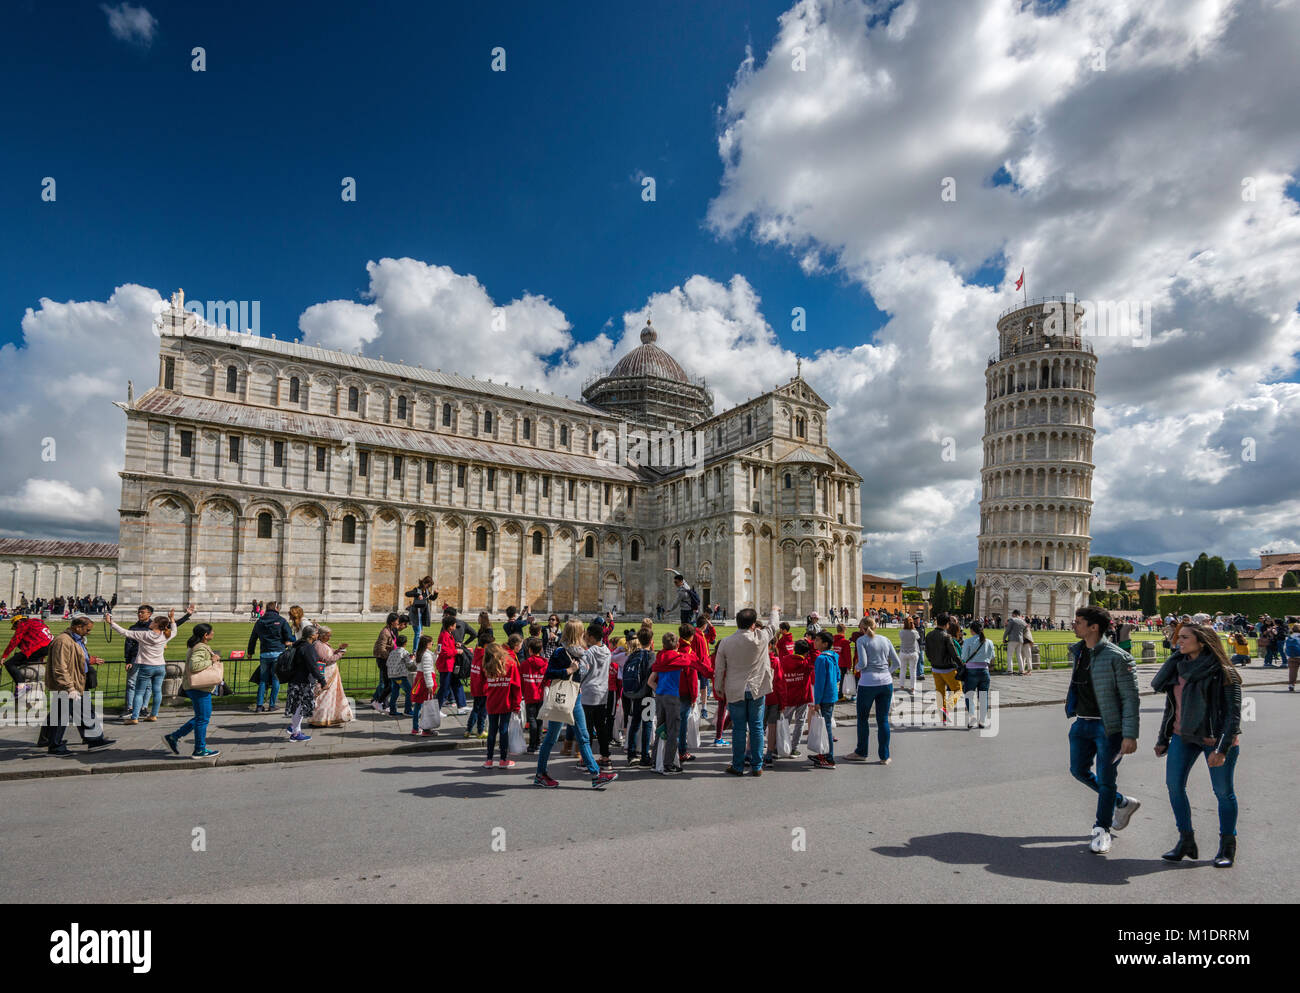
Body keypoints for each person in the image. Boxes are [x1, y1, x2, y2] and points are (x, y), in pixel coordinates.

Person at [1152, 623, 1243, 867]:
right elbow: (1172, 707)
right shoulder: (1177, 667)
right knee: (1174, 786)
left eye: (1184, 638)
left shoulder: (1224, 672)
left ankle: (1227, 846)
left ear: (1201, 642)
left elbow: (1234, 716)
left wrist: (1222, 750)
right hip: (1183, 735)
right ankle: (1186, 840)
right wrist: (1163, 738)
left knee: (1223, 792)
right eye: (1177, 637)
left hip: (1215, 739)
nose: (1177, 641)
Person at [1066, 605, 1142, 855]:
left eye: (1078, 622)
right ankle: (1121, 802)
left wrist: (1130, 734)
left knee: (1107, 778)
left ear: (1094, 627)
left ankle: (1102, 829)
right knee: (1078, 770)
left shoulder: (1118, 657)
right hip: (1082, 723)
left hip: (1108, 727)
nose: (1074, 625)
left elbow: (1131, 698)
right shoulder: (1078, 652)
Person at [533, 619, 618, 789]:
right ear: (577, 633)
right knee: (551, 737)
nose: (584, 634)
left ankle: (596, 775)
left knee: (584, 737)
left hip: (575, 697)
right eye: (582, 631)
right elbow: (549, 673)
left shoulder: (581, 652)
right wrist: (568, 671)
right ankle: (540, 774)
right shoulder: (560, 652)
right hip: (562, 698)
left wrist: (577, 682)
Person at [712, 607, 777, 776]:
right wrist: (774, 610)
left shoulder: (726, 642)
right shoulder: (762, 637)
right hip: (756, 688)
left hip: (735, 689)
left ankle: (738, 765)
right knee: (756, 728)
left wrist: (718, 688)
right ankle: (756, 766)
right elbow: (773, 626)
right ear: (754, 624)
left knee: (739, 729)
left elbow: (719, 669)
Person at [44, 614, 114, 755]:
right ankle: (54, 746)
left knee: (84, 713)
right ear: (77, 627)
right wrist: (69, 687)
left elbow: (79, 659)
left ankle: (94, 740)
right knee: (61, 716)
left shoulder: (76, 639)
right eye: (87, 630)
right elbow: (60, 667)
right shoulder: (63, 641)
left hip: (78, 683)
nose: (89, 633)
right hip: (67, 685)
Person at [119, 602, 193, 719]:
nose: (140, 614)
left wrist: (186, 616)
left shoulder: (156, 627)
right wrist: (127, 660)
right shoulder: (134, 627)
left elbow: (175, 625)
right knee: (132, 684)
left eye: (142, 612)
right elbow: (128, 644)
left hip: (146, 662)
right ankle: (130, 708)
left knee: (146, 687)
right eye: (139, 612)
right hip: (136, 659)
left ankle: (142, 708)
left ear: (150, 614)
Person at [108, 608, 179, 724]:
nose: (150, 622)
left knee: (139, 692)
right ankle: (154, 715)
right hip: (160, 666)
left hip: (146, 666)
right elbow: (175, 631)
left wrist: (111, 622)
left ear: (156, 624)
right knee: (157, 692)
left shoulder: (145, 635)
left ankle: (134, 717)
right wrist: (172, 619)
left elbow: (124, 632)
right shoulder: (165, 635)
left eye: (153, 621)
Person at [844, 616, 899, 763]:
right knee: (883, 720)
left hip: (868, 682)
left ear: (862, 628)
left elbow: (863, 662)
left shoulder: (862, 640)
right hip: (886, 682)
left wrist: (856, 668)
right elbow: (897, 662)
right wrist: (888, 672)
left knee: (863, 719)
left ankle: (861, 752)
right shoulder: (885, 639)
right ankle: (885, 756)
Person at [163, 623, 221, 758]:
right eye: (211, 632)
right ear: (205, 635)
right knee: (203, 719)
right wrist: (212, 660)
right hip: (199, 688)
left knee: (200, 717)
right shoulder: (200, 647)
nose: (213, 633)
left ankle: (174, 737)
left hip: (195, 687)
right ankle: (199, 749)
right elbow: (194, 666)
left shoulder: (196, 646)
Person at [248, 601, 294, 714]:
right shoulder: (281, 620)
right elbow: (289, 636)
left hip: (264, 653)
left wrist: (250, 652)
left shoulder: (260, 621)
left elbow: (253, 638)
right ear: (277, 608)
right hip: (278, 653)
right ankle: (272, 705)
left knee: (263, 680)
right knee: (275, 679)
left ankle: (259, 706)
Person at [482, 643, 523, 768]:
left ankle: (489, 760)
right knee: (504, 730)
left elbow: (483, 686)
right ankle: (503, 760)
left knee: (492, 730)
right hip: (506, 702)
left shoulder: (485, 666)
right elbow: (516, 687)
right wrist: (516, 705)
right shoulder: (510, 665)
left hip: (492, 702)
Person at [285, 626, 327, 741]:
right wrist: (322, 680)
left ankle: (294, 728)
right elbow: (313, 666)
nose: (318, 635)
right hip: (303, 681)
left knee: (297, 706)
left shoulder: (298, 644)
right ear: (312, 635)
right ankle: (295, 733)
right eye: (317, 633)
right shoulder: (308, 648)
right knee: (300, 707)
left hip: (295, 679)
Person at [620, 628, 655, 765]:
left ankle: (632, 754)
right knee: (647, 725)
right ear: (651, 641)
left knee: (634, 723)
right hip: (648, 695)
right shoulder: (652, 656)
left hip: (635, 694)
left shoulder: (633, 655)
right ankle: (645, 756)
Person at [2, 614, 53, 705]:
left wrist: (4, 656)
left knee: (9, 664)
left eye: (15, 626)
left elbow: (15, 639)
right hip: (47, 647)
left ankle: (21, 687)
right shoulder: (38, 623)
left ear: (18, 622)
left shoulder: (23, 624)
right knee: (22, 658)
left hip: (37, 648)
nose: (16, 629)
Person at [808, 631, 840, 769]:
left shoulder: (821, 659)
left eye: (817, 640)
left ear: (825, 643)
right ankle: (824, 753)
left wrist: (817, 702)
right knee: (826, 725)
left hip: (824, 696)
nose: (815, 642)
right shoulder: (833, 656)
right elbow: (838, 675)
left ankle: (829, 757)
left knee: (826, 728)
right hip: (832, 694)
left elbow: (820, 682)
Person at [310, 625, 352, 727]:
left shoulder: (323, 643)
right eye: (328, 635)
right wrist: (340, 654)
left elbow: (331, 653)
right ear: (322, 635)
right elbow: (327, 660)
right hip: (326, 675)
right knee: (324, 697)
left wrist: (339, 649)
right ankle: (320, 718)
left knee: (331, 697)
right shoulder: (318, 645)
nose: (330, 637)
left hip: (331, 674)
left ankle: (330, 717)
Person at [924, 612, 962, 725]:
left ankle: (943, 718)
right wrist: (961, 665)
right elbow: (954, 654)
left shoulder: (929, 635)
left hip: (935, 668)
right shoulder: (947, 637)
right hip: (948, 668)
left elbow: (927, 651)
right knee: (958, 690)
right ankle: (948, 708)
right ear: (947, 624)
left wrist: (932, 661)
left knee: (940, 693)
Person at [778, 638, 814, 757]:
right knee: (799, 723)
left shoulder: (784, 660)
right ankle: (794, 748)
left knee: (784, 723)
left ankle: (782, 745)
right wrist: (810, 643)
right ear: (806, 652)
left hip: (788, 698)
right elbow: (815, 654)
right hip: (802, 698)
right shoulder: (806, 663)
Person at [959, 620, 994, 729]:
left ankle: (972, 716)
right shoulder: (989, 642)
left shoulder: (968, 641)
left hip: (971, 671)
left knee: (969, 695)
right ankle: (982, 720)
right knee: (983, 697)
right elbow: (991, 656)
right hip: (984, 670)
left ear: (971, 630)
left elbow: (963, 657)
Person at [370, 612, 407, 713]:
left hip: (386, 660)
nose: (398, 622)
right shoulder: (385, 632)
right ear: (392, 622)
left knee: (388, 684)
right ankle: (378, 702)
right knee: (388, 684)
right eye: (397, 621)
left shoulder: (391, 630)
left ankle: (380, 703)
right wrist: (391, 658)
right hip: (383, 660)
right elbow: (381, 649)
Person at [518, 637, 548, 751]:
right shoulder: (545, 664)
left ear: (530, 650)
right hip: (540, 695)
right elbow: (547, 680)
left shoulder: (525, 664)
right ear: (540, 650)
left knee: (531, 720)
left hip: (529, 695)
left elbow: (520, 680)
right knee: (539, 719)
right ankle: (538, 742)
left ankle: (532, 745)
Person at [435, 613, 468, 713]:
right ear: (450, 626)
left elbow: (448, 647)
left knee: (456, 684)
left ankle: (461, 706)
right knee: (444, 688)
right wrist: (456, 651)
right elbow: (443, 651)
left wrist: (455, 645)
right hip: (446, 666)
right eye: (454, 625)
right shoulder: (444, 636)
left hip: (450, 664)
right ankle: (437, 709)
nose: (455, 627)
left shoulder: (449, 634)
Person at [409, 633, 437, 735]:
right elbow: (427, 671)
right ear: (427, 644)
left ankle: (415, 728)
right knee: (427, 705)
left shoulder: (420, 653)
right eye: (431, 643)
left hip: (419, 680)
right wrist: (430, 685)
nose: (432, 644)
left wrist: (435, 654)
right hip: (425, 681)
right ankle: (426, 729)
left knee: (418, 705)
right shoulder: (426, 655)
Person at [466, 628, 491, 738]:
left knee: (475, 709)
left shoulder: (476, 654)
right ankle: (480, 731)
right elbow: (487, 673)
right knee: (483, 711)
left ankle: (468, 729)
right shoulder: (484, 657)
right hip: (483, 688)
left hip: (475, 687)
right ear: (486, 645)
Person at [385, 634, 414, 717]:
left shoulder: (392, 652)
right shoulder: (405, 652)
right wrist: (412, 659)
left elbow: (388, 663)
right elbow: (409, 664)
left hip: (392, 675)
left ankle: (392, 710)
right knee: (409, 691)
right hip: (400, 676)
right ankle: (408, 710)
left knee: (395, 692)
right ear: (405, 643)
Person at [404, 577, 437, 648]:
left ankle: (419, 650)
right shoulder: (417, 590)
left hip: (423, 614)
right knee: (418, 633)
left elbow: (432, 598)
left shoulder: (427, 591)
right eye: (428, 585)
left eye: (430, 586)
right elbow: (407, 594)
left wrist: (436, 594)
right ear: (424, 583)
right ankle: (415, 652)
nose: (429, 587)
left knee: (420, 634)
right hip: (416, 614)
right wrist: (418, 595)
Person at [898, 615, 922, 692]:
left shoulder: (901, 632)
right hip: (913, 652)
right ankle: (913, 688)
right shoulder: (914, 632)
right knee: (913, 671)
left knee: (903, 670)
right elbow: (918, 639)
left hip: (903, 652)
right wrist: (913, 628)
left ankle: (901, 686)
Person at [1004, 609, 1031, 675]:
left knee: (1009, 655)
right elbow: (1026, 628)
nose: (1012, 615)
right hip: (1020, 640)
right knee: (1019, 655)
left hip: (1012, 639)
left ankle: (1010, 670)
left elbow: (1007, 630)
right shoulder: (1023, 621)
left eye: (1012, 614)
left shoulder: (1012, 620)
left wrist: (1004, 638)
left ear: (1014, 614)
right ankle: (1021, 670)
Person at [1286, 624, 1300, 691]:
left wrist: (1288, 656)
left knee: (1292, 672)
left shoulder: (1289, 637)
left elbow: (1284, 648)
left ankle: (1291, 685)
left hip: (1292, 656)